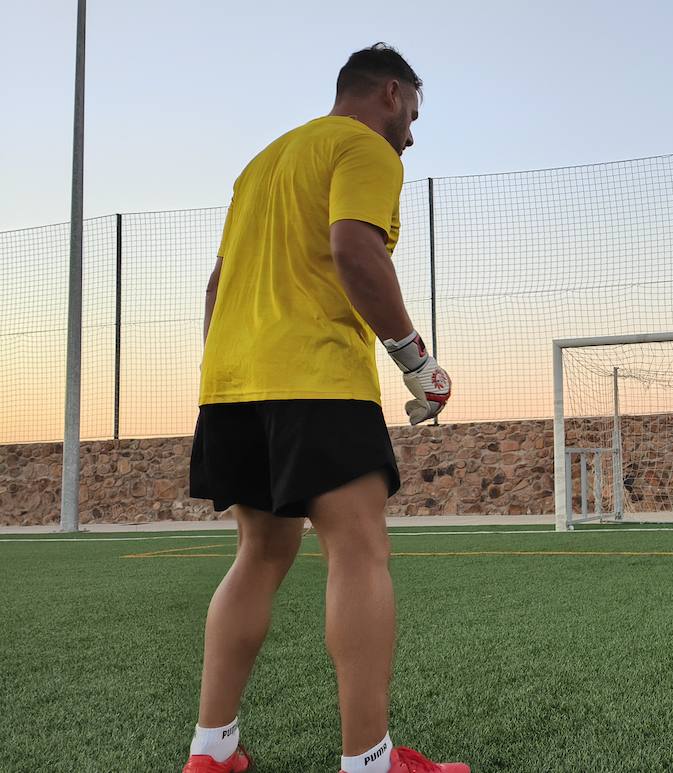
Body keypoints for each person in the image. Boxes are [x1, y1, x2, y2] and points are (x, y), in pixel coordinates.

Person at [182, 44, 467, 773]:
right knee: (359, 548)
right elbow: (354, 251)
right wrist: (416, 359)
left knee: (261, 552)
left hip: (232, 381)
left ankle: (212, 753)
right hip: (315, 377)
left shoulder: (264, 162)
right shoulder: (365, 146)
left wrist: (228, 373)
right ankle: (369, 762)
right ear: (391, 94)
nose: (412, 132)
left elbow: (217, 285)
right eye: (412, 114)